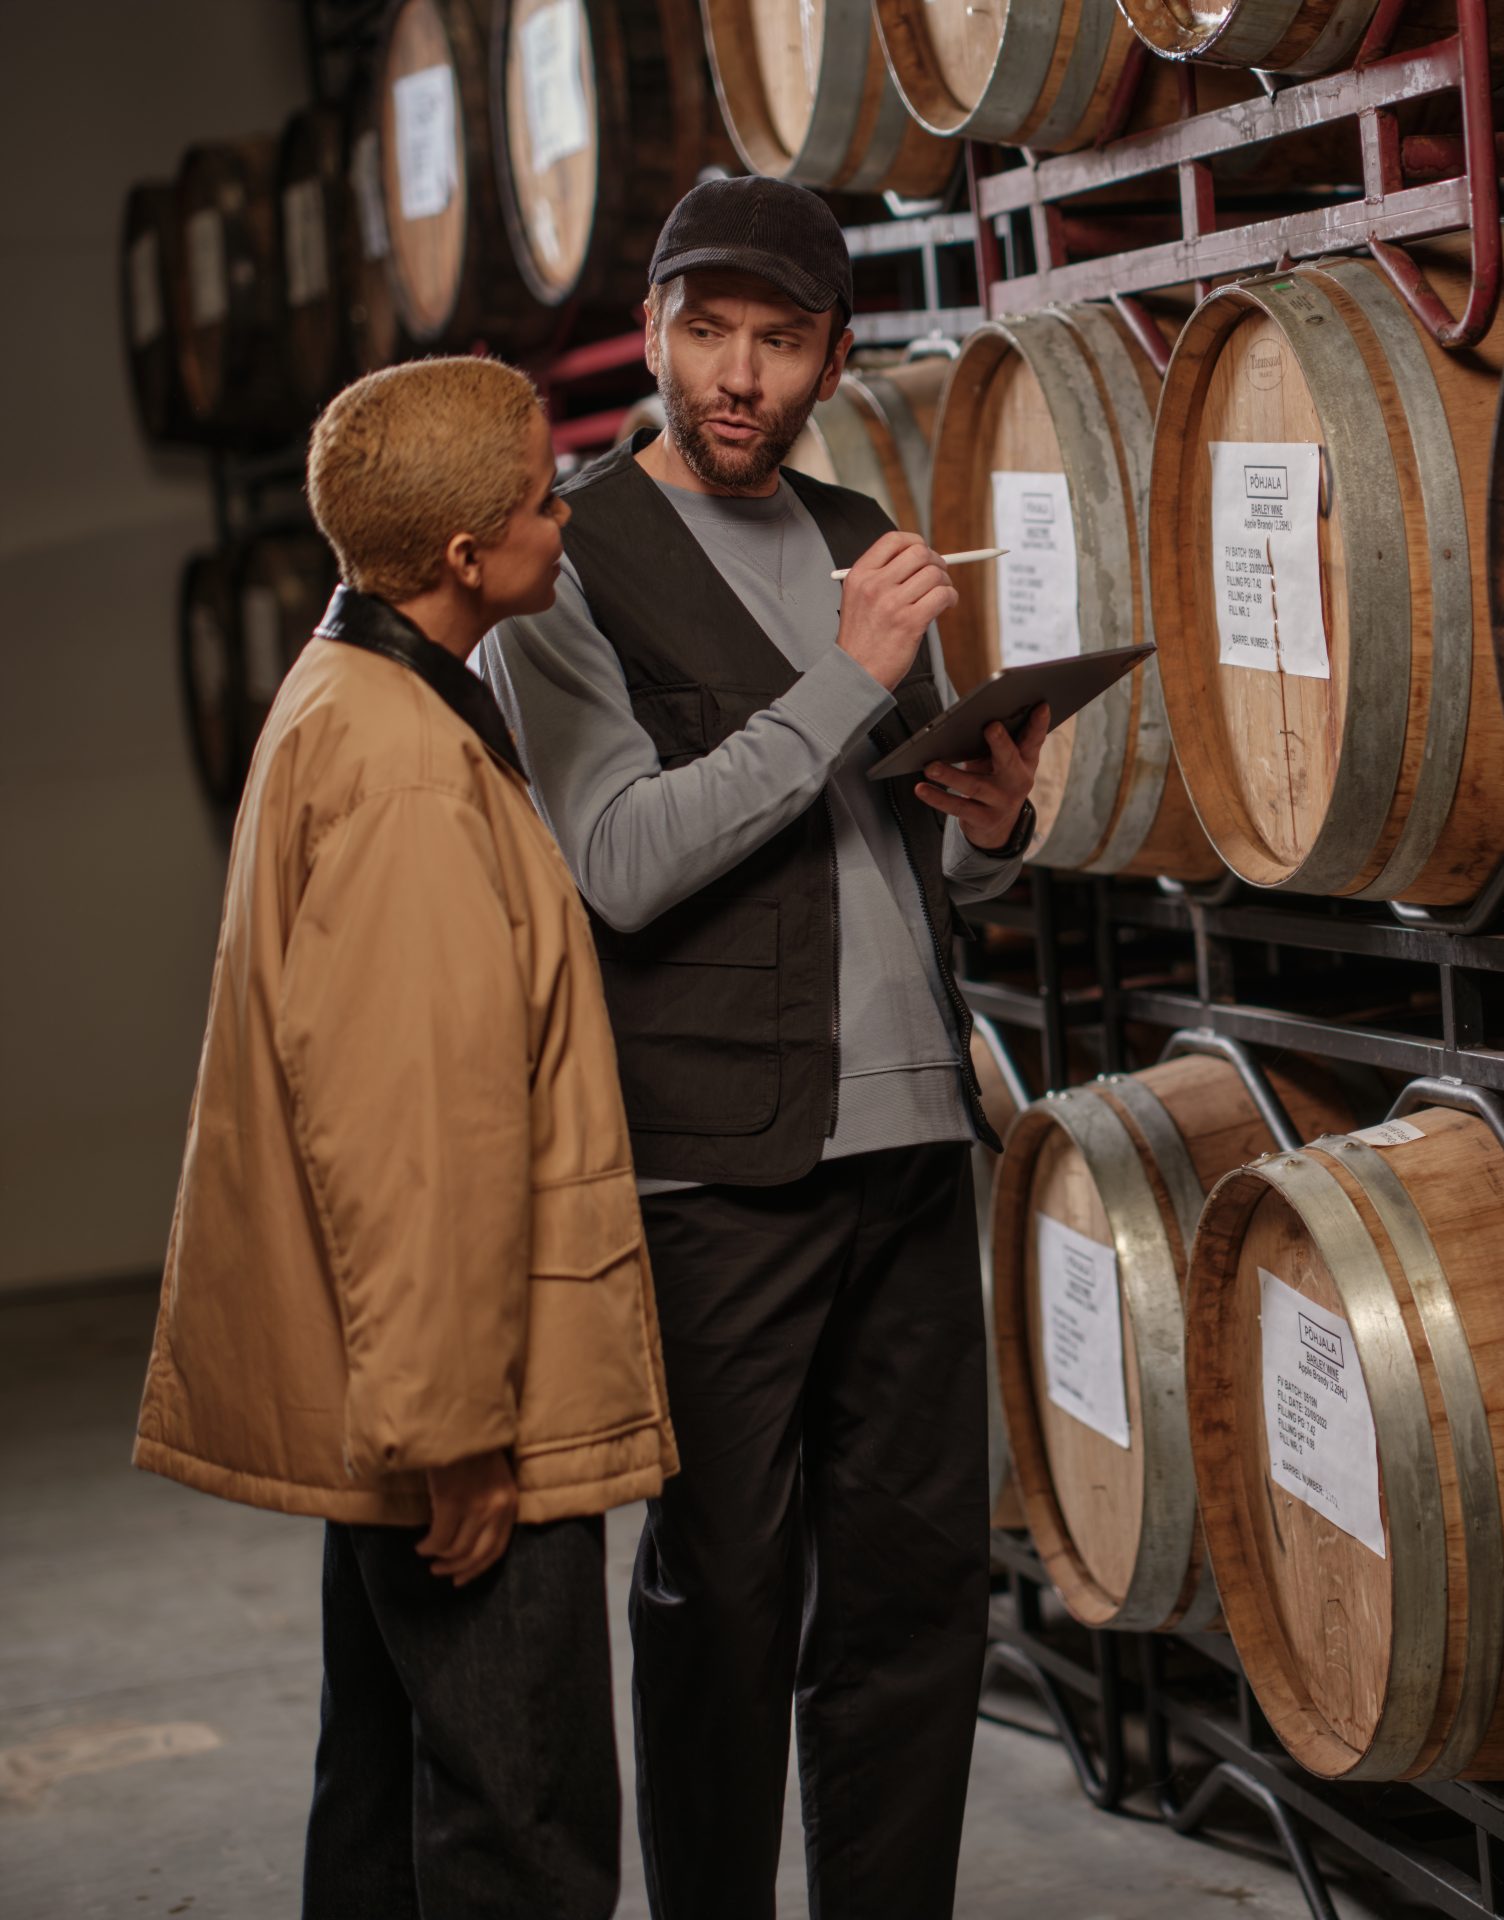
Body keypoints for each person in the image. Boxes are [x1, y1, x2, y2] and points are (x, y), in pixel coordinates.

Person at [478, 176, 1047, 1920]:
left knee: (912, 1595)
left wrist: (996, 822)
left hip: (907, 1137)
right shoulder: (570, 566)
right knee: (724, 1598)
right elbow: (624, 862)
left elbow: (894, 853)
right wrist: (841, 677)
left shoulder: (858, 520)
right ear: (649, 334)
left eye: (777, 341)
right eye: (704, 333)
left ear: (831, 357)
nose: (736, 374)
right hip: (718, 1163)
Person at [134, 355, 679, 1920]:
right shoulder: (401, 772)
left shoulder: (357, 694)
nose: (560, 515)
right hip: (457, 1412)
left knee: (382, 1805)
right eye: (535, 496)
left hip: (404, 1387)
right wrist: (453, 1433)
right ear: (462, 560)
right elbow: (416, 1132)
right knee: (524, 1822)